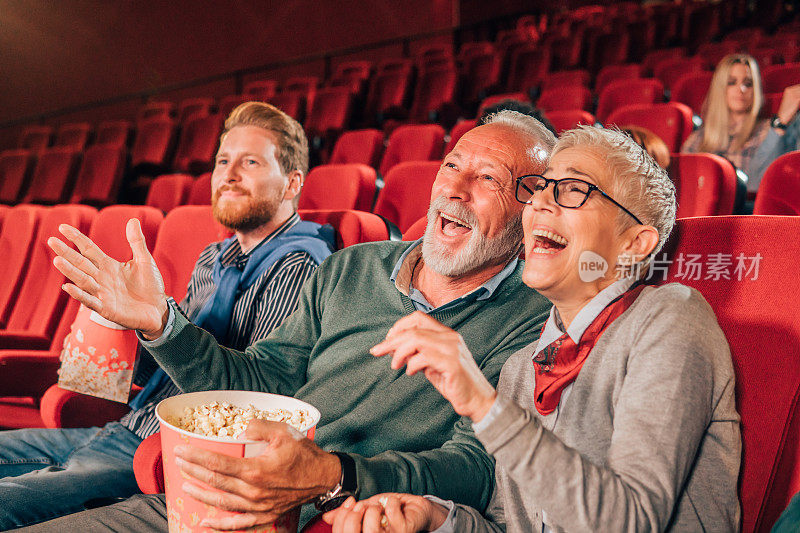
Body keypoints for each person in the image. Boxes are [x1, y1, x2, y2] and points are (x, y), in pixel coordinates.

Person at [24, 110, 556, 532]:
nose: (455, 189)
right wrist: (163, 323)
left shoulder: (533, 320)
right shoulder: (353, 267)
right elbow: (259, 385)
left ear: (533, 206)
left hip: (341, 516)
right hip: (225, 502)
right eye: (451, 166)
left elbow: (477, 465)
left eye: (488, 177)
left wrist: (336, 475)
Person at [327, 125, 742, 532]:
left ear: (635, 243)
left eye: (574, 190)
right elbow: (508, 525)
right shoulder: (523, 367)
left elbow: (629, 520)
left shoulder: (671, 317)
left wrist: (486, 407)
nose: (540, 203)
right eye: (541, 187)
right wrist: (434, 518)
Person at [0, 101, 336, 530]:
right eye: (222, 161)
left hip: (166, 453)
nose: (228, 175)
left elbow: (249, 397)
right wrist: (119, 327)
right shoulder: (214, 259)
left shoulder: (302, 266)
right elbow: (172, 361)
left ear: (292, 183)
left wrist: (158, 321)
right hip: (127, 426)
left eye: (249, 162)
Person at [681, 53, 800, 193]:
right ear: (720, 88)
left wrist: (780, 125)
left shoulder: (771, 131)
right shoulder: (698, 139)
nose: (741, 90)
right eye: (732, 82)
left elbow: (757, 185)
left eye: (748, 84)